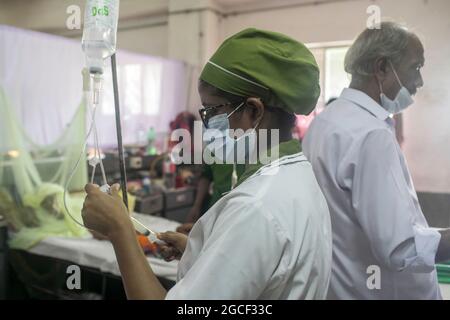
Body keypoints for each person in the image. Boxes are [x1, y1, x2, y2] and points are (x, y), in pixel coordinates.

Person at [82, 28, 332, 300]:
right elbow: (268, 267)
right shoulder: (295, 175)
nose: (205, 123)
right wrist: (203, 252)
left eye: (212, 110)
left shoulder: (255, 208)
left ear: (254, 110)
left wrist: (120, 231)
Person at [303, 22, 450, 299]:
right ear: (382, 67)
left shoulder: (325, 123)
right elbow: (402, 249)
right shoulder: (371, 134)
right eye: (415, 68)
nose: (418, 82)